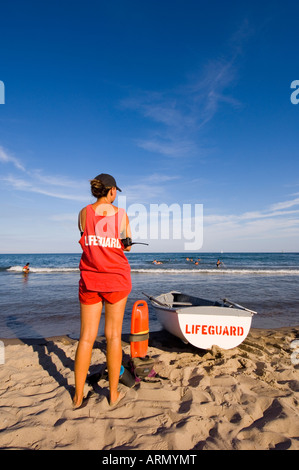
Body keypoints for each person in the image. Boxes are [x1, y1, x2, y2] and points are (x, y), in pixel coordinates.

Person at [73, 173, 132, 409]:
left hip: (89, 279)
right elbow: (126, 247)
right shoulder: (121, 215)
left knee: (86, 337)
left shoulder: (83, 213)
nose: (116, 194)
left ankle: (78, 396)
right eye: (115, 191)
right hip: (116, 279)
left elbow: (87, 239)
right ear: (110, 191)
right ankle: (113, 394)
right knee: (114, 336)